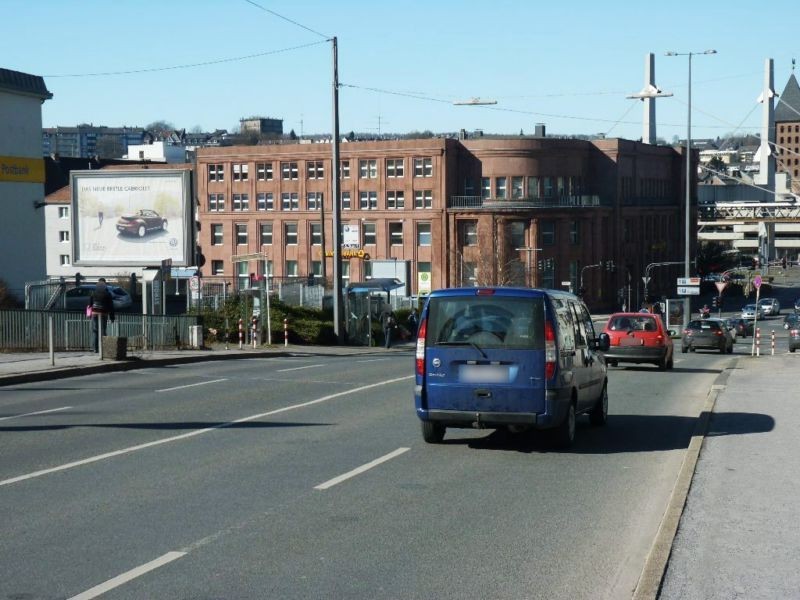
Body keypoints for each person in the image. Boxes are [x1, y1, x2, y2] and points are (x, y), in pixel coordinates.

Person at [89, 278, 115, 352]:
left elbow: (90, 304)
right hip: (103, 313)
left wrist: (90, 313)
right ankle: (103, 348)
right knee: (103, 330)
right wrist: (112, 317)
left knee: (95, 330)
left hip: (94, 313)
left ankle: (95, 348)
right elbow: (111, 306)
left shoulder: (93, 293)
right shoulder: (107, 294)